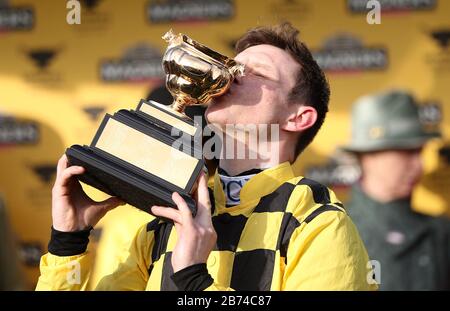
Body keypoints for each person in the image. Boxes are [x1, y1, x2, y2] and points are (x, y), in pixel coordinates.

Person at [36, 22, 376, 291]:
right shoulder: (164, 224)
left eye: (257, 73)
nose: (229, 77)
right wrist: (69, 242)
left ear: (297, 118)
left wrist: (195, 281)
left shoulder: (317, 223)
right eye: (233, 67)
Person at [344, 90, 450, 290]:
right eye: (407, 152)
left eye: (420, 151)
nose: (420, 165)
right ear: (368, 156)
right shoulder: (333, 231)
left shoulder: (441, 233)